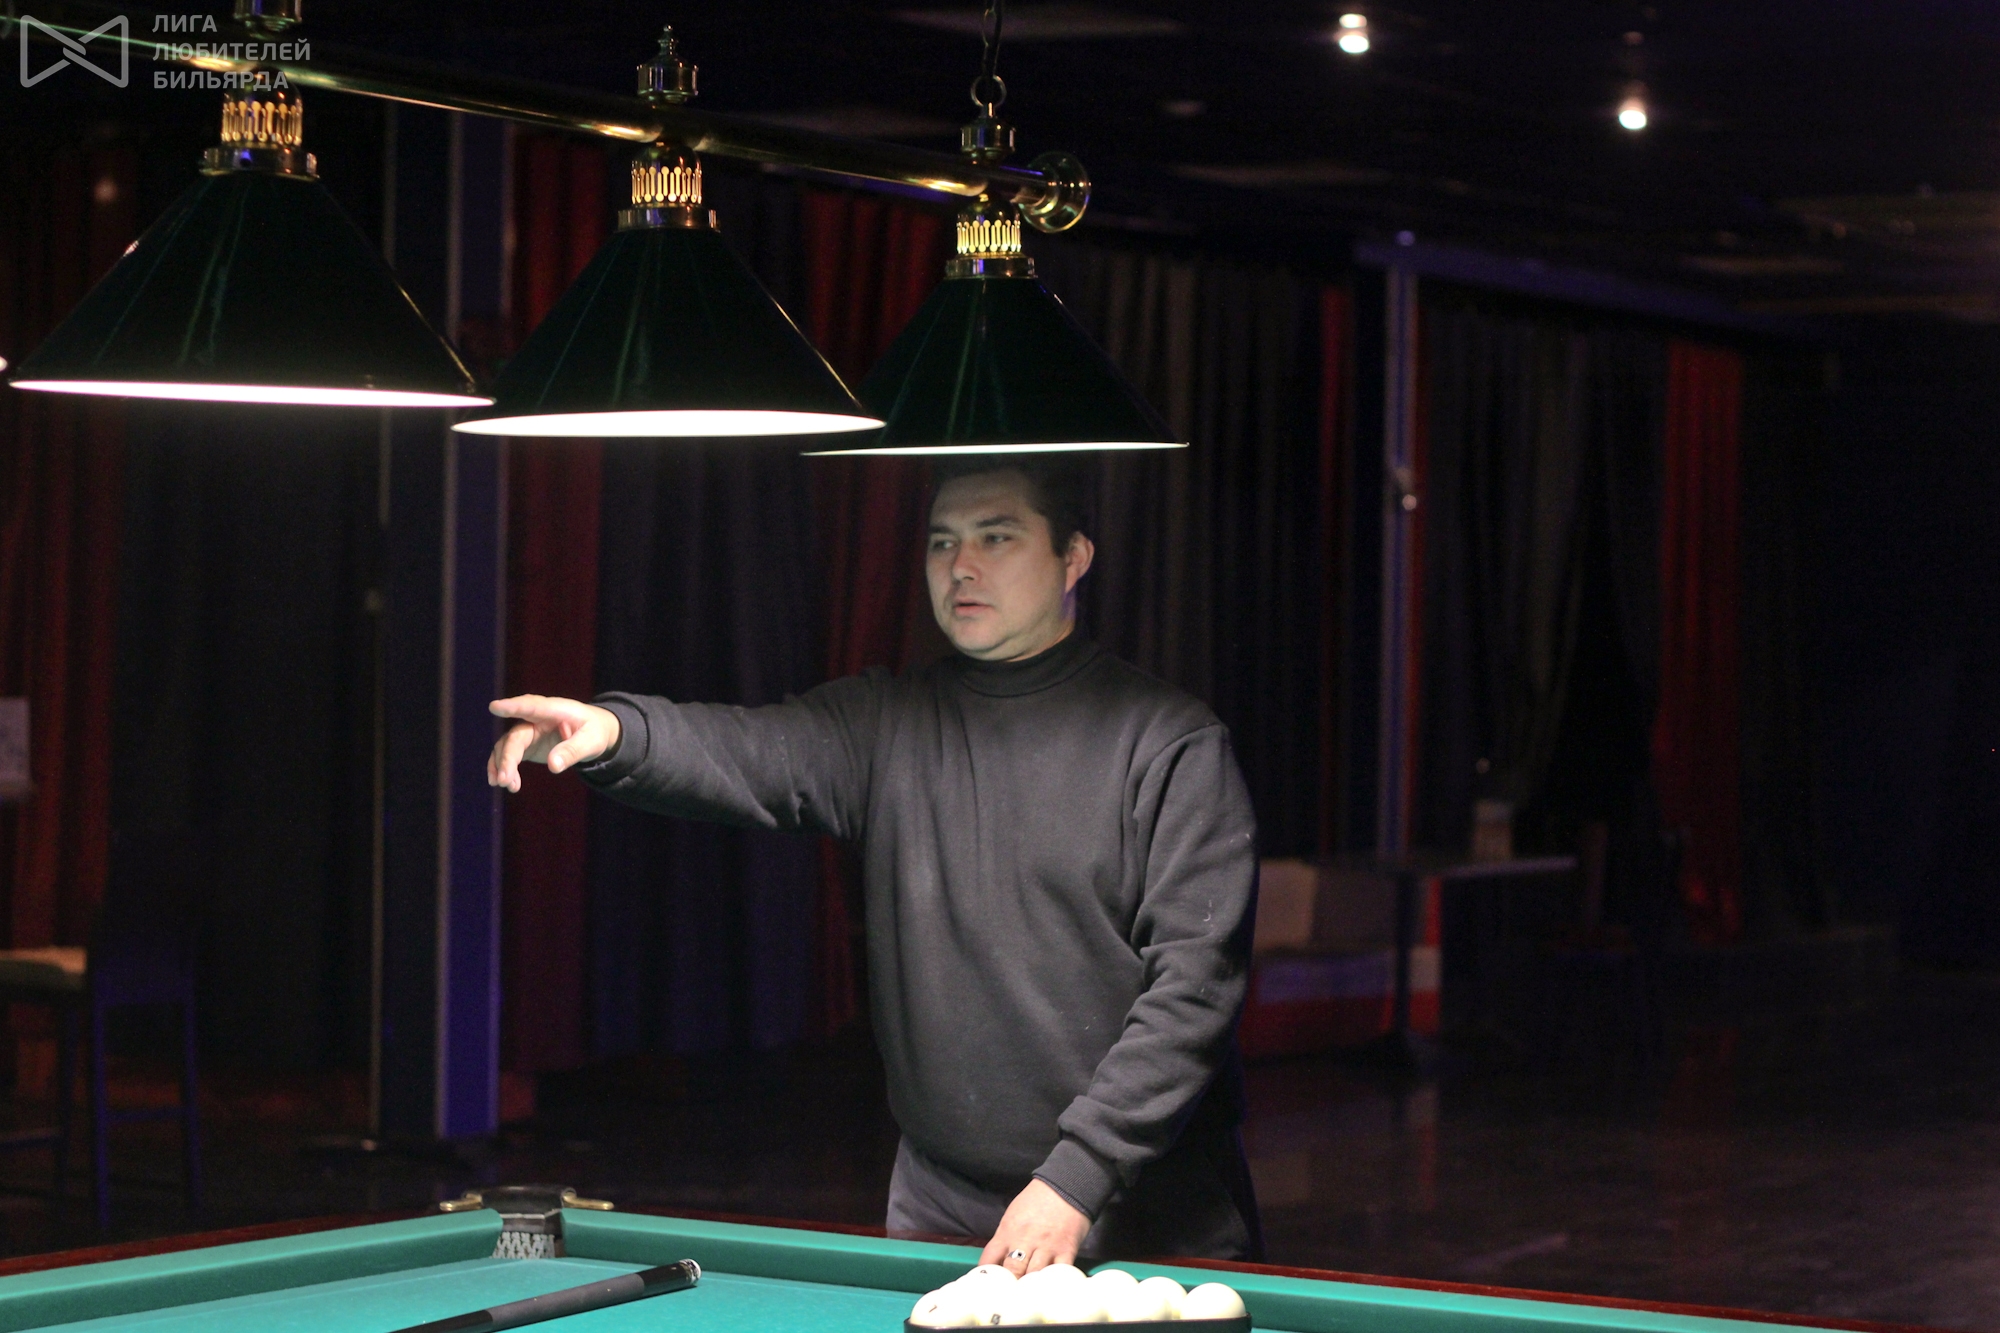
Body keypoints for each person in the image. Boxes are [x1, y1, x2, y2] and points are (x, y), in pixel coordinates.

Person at [488, 457, 1261, 1271]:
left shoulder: (1171, 744)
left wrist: (1078, 1175)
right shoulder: (886, 723)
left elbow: (1194, 993)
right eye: (942, 541)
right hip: (941, 1205)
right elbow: (752, 749)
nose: (961, 565)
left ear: (1074, 558)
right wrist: (615, 733)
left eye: (996, 537)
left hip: (1136, 1209)